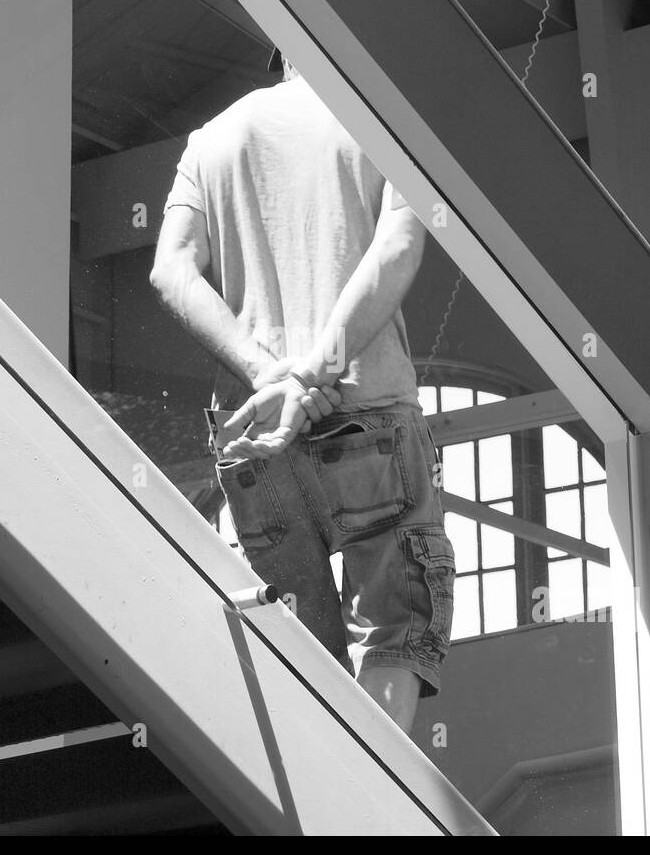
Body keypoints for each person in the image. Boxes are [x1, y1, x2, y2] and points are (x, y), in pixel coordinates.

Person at [149, 49, 455, 734]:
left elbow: (170, 270)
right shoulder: (385, 121)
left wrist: (270, 376)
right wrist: (317, 369)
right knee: (396, 624)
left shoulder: (212, 140)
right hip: (366, 412)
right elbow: (400, 246)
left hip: (257, 431)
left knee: (295, 646)